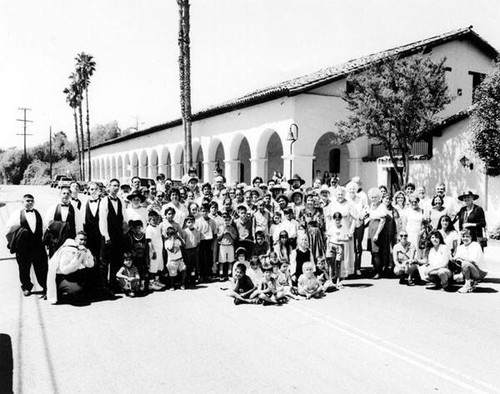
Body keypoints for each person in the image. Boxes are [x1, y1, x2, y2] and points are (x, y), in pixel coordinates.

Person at [5, 194, 48, 297]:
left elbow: (43, 228)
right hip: (23, 247)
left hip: (38, 246)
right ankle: (26, 287)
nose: (29, 203)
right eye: (27, 201)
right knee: (24, 268)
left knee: (41, 267)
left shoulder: (38, 213)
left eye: (31, 201)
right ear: (22, 202)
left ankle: (45, 287)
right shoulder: (17, 214)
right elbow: (9, 229)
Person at [46, 231, 95, 305]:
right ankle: (61, 292)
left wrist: (87, 252)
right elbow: (64, 270)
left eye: (85, 240)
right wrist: (76, 258)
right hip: (61, 277)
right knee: (78, 291)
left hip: (72, 274)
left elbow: (90, 265)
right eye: (81, 239)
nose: (83, 242)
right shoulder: (68, 250)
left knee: (89, 287)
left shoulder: (81, 249)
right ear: (75, 239)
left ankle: (71, 291)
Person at [99, 179, 128, 297]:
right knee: (105, 263)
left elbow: (124, 218)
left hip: (119, 236)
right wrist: (106, 236)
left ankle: (114, 284)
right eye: (114, 186)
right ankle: (104, 287)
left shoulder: (121, 200)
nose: (116, 188)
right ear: (109, 187)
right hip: (108, 235)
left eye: (118, 186)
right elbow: (102, 220)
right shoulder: (104, 201)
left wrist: (125, 230)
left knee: (117, 261)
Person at [44, 186, 83, 257]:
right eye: (64, 193)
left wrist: (78, 240)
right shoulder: (53, 208)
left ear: (71, 196)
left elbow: (79, 225)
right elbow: (47, 223)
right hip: (55, 241)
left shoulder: (75, 209)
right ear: (59, 195)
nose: (66, 195)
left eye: (68, 193)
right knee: (54, 262)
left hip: (70, 241)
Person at [82, 182, 102, 295]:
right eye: (91, 189)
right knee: (90, 259)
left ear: (99, 190)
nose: (93, 191)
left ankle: (100, 285)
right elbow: (82, 221)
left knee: (100, 260)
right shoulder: (85, 203)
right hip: (89, 237)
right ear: (88, 190)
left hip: (101, 236)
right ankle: (90, 285)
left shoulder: (103, 202)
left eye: (95, 189)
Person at [454, 229, 488, 293]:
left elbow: (472, 261)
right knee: (455, 278)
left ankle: (467, 285)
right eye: (463, 237)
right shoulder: (460, 247)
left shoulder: (475, 245)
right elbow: (456, 259)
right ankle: (471, 282)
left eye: (467, 236)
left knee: (465, 264)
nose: (465, 238)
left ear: (471, 237)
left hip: (479, 271)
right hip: (468, 269)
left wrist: (461, 258)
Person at [366, 188, 387, 279]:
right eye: (372, 197)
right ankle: (375, 269)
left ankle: (379, 271)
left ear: (379, 197)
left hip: (377, 228)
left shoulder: (382, 206)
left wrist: (377, 234)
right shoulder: (372, 205)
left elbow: (383, 221)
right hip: (371, 227)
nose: (373, 199)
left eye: (375, 197)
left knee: (376, 251)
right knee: (372, 250)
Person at [325, 212, 349, 289]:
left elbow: (347, 238)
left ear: (341, 219)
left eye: (339, 220)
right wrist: (327, 248)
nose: (337, 221)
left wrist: (341, 239)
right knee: (331, 264)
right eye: (336, 220)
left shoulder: (344, 228)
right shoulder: (331, 227)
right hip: (332, 245)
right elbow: (328, 238)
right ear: (333, 220)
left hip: (340, 246)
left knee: (338, 264)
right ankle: (331, 280)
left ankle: (338, 280)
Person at [125, 220, 149, 293]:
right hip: (134, 258)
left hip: (142, 258)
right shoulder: (131, 237)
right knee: (134, 272)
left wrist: (147, 258)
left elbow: (147, 248)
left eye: (139, 227)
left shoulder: (144, 236)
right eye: (136, 228)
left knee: (143, 271)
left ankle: (142, 285)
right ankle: (134, 286)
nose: (138, 229)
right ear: (133, 229)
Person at [145, 211, 166, 291]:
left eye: (157, 219)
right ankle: (151, 283)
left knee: (159, 267)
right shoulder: (149, 229)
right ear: (149, 220)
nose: (155, 221)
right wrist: (152, 251)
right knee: (153, 268)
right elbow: (149, 241)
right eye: (153, 220)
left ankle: (157, 281)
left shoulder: (158, 227)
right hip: (154, 251)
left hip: (159, 250)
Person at [164, 226, 187, 290]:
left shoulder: (177, 240)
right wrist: (172, 240)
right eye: (172, 234)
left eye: (174, 233)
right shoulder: (167, 242)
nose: (174, 235)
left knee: (184, 270)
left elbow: (183, 244)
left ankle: (182, 283)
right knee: (172, 275)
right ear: (168, 235)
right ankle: (172, 285)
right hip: (172, 261)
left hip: (179, 259)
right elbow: (171, 249)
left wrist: (179, 237)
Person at [216, 212, 238, 280]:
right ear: (223, 220)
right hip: (222, 246)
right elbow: (218, 237)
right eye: (225, 220)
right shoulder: (220, 227)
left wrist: (230, 233)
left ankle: (229, 273)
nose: (227, 221)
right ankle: (221, 274)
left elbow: (235, 237)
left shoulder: (232, 228)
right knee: (222, 261)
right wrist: (223, 233)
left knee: (230, 261)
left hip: (230, 245)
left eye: (228, 220)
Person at [182, 215, 201, 283]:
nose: (190, 224)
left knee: (195, 264)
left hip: (195, 249)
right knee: (188, 264)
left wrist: (197, 248)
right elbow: (183, 241)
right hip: (188, 250)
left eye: (192, 222)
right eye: (189, 222)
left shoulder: (196, 231)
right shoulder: (185, 231)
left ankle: (194, 277)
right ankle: (188, 277)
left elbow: (198, 240)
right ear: (186, 223)